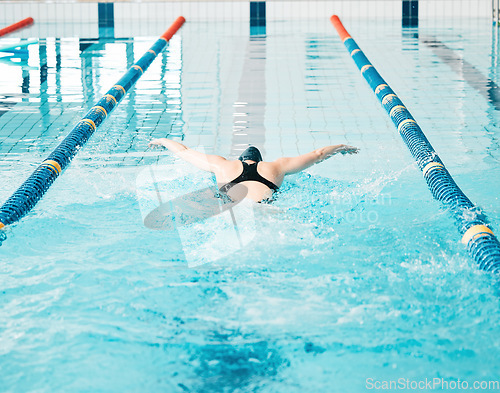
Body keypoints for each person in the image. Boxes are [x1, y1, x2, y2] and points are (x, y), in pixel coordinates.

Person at [148, 138, 359, 203]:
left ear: (240, 160)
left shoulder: (221, 164)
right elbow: (318, 153)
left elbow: (184, 151)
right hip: (265, 210)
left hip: (233, 212)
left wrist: (161, 141)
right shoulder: (277, 166)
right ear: (260, 161)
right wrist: (341, 148)